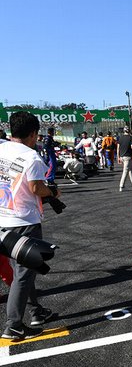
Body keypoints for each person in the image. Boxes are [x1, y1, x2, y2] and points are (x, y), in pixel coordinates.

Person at [0, 112, 61, 340]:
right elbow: (36, 188)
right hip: (24, 221)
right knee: (25, 273)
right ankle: (13, 325)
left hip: (2, 218)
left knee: (22, 270)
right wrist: (53, 191)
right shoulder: (32, 157)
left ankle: (36, 311)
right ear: (34, 133)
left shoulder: (1, 148)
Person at [117, 127, 132, 191]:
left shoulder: (120, 137)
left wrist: (118, 157)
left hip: (122, 156)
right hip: (128, 156)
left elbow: (118, 148)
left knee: (130, 171)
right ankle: (121, 185)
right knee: (125, 171)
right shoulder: (131, 137)